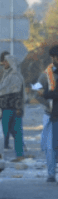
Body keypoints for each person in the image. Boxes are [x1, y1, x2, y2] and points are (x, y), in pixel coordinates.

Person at [0, 53, 25, 161]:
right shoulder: (8, 74)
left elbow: (17, 94)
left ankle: (19, 155)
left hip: (12, 108)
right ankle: (18, 155)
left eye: (6, 61)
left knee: (13, 132)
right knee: (11, 132)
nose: (4, 63)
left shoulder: (14, 76)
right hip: (7, 108)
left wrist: (18, 108)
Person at [36, 46, 58, 182]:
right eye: (55, 57)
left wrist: (47, 94)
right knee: (50, 146)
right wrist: (47, 102)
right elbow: (36, 89)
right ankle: (51, 174)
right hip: (51, 114)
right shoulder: (46, 74)